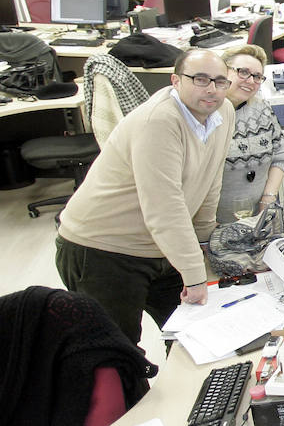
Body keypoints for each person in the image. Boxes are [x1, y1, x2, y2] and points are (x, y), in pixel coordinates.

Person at [55, 48, 233, 342]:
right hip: (103, 248)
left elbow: (211, 180)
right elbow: (165, 207)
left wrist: (204, 243)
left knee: (193, 335)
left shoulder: (222, 112)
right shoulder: (159, 121)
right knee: (118, 353)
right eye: (200, 79)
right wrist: (194, 274)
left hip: (159, 245)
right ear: (176, 81)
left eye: (219, 81)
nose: (212, 89)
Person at [216, 44, 284, 222]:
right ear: (223, 72)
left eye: (257, 76)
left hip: (260, 217)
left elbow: (281, 155)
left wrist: (268, 198)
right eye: (243, 72)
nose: (250, 81)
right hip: (214, 222)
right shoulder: (207, 115)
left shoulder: (261, 108)